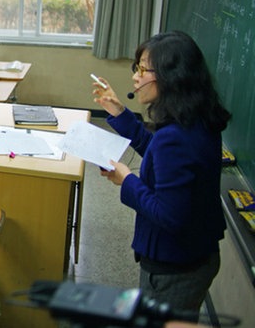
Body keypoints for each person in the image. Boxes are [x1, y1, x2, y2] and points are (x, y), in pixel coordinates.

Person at [91, 31, 230, 316]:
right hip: (195, 255)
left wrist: (126, 179)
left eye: (143, 69)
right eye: (137, 68)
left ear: (171, 76)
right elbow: (158, 153)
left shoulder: (177, 136)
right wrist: (120, 114)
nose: (135, 77)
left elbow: (169, 215)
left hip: (174, 266)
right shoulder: (196, 120)